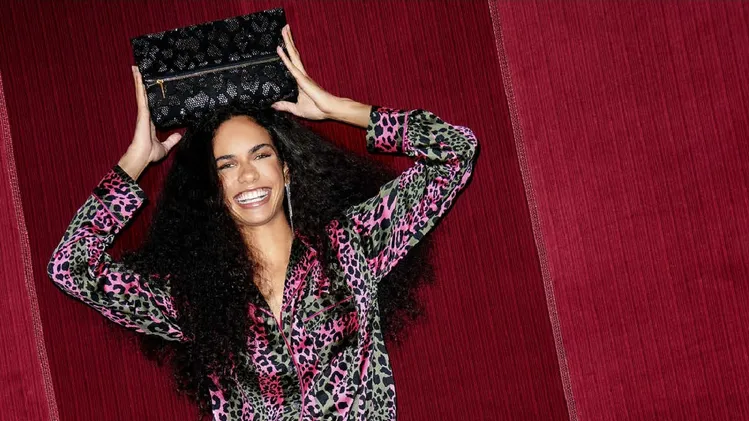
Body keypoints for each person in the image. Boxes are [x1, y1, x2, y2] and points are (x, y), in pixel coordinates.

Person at [47, 24, 478, 421]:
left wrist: (339, 109)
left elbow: (456, 153)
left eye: (261, 155)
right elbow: (70, 267)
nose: (248, 176)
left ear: (286, 169)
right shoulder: (195, 297)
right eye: (227, 165)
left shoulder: (351, 245)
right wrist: (135, 161)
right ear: (214, 189)